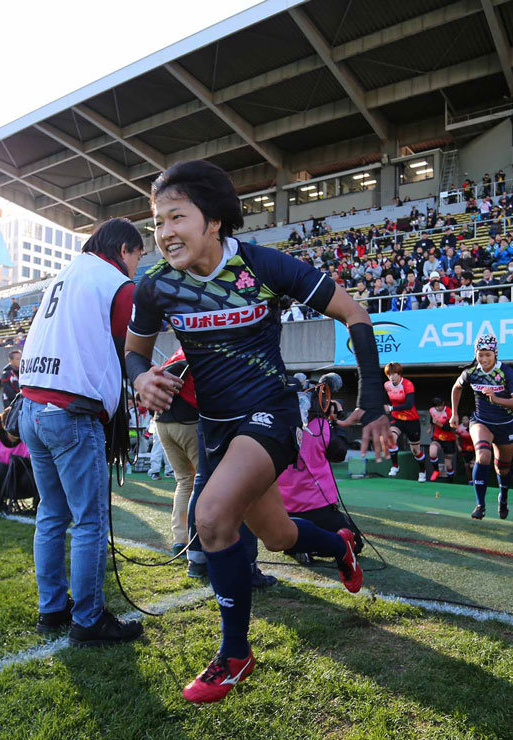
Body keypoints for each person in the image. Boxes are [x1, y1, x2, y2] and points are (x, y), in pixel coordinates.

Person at [126, 159, 388, 704]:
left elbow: (356, 313)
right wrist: (141, 380)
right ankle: (338, 546)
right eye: (157, 221)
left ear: (214, 220)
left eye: (177, 217)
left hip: (270, 414)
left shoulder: (264, 266)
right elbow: (135, 353)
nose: (165, 232)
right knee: (278, 535)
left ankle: (235, 654)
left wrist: (374, 399)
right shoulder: (154, 286)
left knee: (212, 517)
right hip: (215, 428)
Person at [18, 217, 147, 648]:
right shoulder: (114, 282)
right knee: (90, 520)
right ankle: (89, 620)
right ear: (125, 249)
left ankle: (52, 608)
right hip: (71, 410)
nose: (137, 266)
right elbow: (129, 344)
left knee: (52, 514)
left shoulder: (64, 275)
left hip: (32, 405)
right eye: (138, 256)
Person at [277, 374, 353, 566]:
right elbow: (340, 453)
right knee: (353, 543)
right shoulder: (319, 426)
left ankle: (297, 544)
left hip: (283, 509)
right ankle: (307, 545)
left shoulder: (274, 424)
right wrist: (334, 422)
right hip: (316, 506)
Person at [449, 334, 513, 520]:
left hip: (505, 425)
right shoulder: (471, 372)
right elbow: (456, 388)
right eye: (480, 354)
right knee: (482, 456)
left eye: (487, 355)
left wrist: (496, 398)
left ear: (495, 354)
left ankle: (503, 497)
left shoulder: (506, 372)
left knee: (503, 469)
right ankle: (480, 505)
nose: (483, 359)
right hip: (481, 421)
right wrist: (454, 413)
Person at [150, 349, 198, 558]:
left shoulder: (175, 355)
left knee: (185, 481)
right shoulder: (201, 351)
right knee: (205, 480)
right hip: (188, 421)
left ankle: (180, 540)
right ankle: (200, 541)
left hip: (162, 423)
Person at [384, 362, 427, 481]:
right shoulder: (387, 385)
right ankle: (395, 466)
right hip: (397, 419)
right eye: (389, 374)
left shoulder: (407, 384)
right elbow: (386, 401)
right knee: (391, 438)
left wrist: (391, 408)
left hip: (411, 420)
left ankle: (422, 471)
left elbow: (409, 404)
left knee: (415, 450)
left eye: (394, 374)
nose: (391, 377)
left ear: (399, 374)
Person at [426, 397, 458, 482]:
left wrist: (437, 423)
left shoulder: (449, 411)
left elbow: (448, 428)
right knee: (432, 452)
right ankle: (436, 470)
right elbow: (432, 420)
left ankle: (451, 480)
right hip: (437, 437)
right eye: (436, 406)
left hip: (449, 439)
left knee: (448, 465)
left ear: (443, 404)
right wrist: (430, 428)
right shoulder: (431, 410)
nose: (438, 408)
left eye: (439, 406)